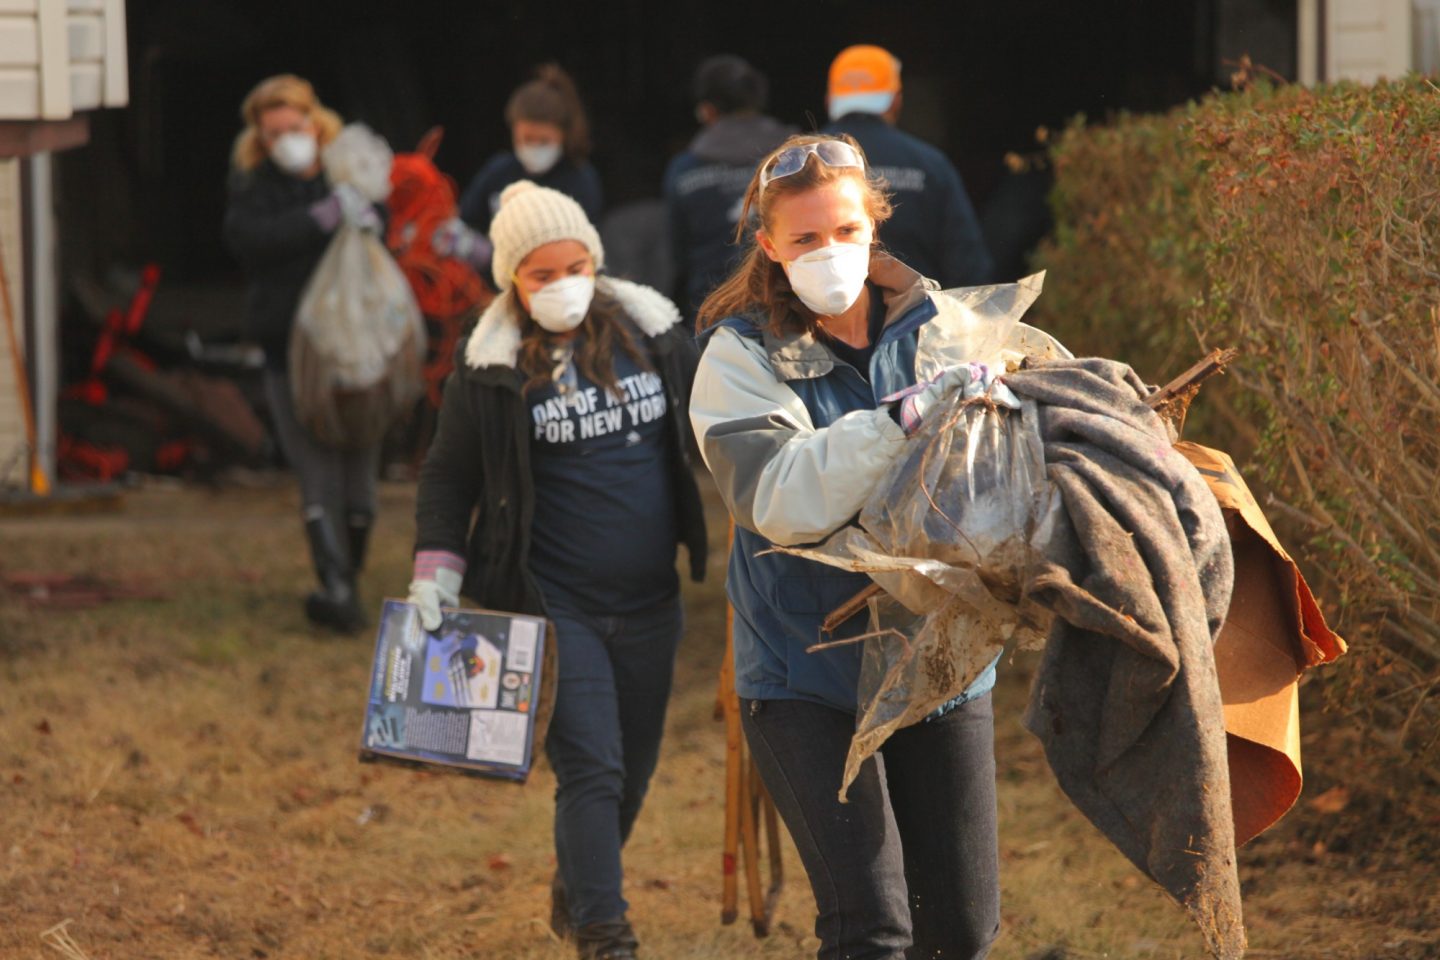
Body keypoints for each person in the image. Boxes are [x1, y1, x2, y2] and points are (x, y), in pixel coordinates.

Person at [689, 134, 1066, 959]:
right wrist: (899, 422)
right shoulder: (740, 357)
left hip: (939, 660)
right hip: (805, 671)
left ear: (876, 224)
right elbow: (780, 498)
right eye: (805, 239)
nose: (831, 253)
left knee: (963, 928)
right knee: (872, 927)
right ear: (769, 246)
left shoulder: (949, 327)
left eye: (846, 231)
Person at [407, 181, 707, 960]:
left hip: (651, 601)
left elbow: (719, 422)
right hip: (557, 603)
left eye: (577, 265)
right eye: (543, 274)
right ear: (512, 280)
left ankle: (579, 885)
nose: (564, 284)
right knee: (593, 769)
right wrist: (436, 570)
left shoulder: (655, 337)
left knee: (632, 775)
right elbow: (447, 479)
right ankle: (606, 936)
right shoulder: (492, 372)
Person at [223, 74, 386, 632]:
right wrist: (316, 221)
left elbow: (388, 233)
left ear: (315, 123)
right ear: (259, 140)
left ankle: (351, 572)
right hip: (287, 348)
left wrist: (368, 222)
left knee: (359, 464)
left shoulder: (347, 171)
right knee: (315, 466)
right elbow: (248, 241)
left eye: (295, 128)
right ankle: (335, 585)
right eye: (274, 134)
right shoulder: (253, 186)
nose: (287, 140)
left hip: (356, 347)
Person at [822, 44, 994, 288]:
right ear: (895, 101)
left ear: (829, 101)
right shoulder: (932, 165)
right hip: (920, 320)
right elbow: (968, 268)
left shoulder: (794, 166)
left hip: (818, 323)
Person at [662, 54, 794, 318]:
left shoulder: (684, 169)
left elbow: (678, 256)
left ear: (707, 110)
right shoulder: (798, 157)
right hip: (789, 311)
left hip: (713, 316)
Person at [458, 64, 603, 236]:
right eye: (527, 139)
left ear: (563, 134)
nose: (534, 147)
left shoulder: (580, 180)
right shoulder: (498, 172)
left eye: (544, 140)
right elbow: (465, 219)